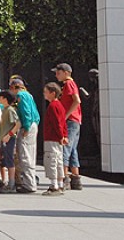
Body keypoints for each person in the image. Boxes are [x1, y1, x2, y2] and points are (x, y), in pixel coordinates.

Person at [54, 62, 83, 190]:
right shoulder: (68, 84)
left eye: (58, 73)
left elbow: (77, 100)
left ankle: (64, 177)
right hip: (75, 120)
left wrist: (66, 115)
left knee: (65, 147)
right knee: (72, 149)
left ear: (66, 73)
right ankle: (76, 178)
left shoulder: (69, 84)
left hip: (71, 120)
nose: (56, 75)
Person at [10, 78, 40, 193]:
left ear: (15, 87)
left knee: (25, 154)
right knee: (30, 153)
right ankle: (30, 182)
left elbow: (26, 112)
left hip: (27, 126)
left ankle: (29, 184)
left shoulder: (21, 96)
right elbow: (36, 113)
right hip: (33, 124)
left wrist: (26, 127)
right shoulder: (29, 95)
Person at [42, 82, 68, 195]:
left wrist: (60, 135)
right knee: (58, 161)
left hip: (52, 138)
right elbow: (63, 123)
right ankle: (60, 184)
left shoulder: (53, 106)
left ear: (53, 93)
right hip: (58, 139)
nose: (44, 94)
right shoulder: (60, 106)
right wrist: (64, 136)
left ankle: (54, 186)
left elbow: (57, 123)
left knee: (51, 160)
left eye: (46, 92)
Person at [0, 90, 20, 193]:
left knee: (9, 160)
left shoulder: (10, 110)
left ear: (5, 99)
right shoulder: (4, 109)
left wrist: (9, 135)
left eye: (0, 97)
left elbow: (17, 123)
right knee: (2, 160)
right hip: (2, 138)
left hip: (9, 139)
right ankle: (5, 181)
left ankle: (11, 183)